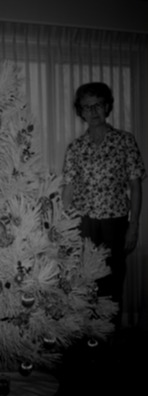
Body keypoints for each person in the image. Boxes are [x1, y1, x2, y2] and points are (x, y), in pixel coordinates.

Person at [61, 81, 145, 330]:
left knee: (112, 282)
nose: (93, 111)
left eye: (98, 104)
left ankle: (109, 337)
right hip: (83, 223)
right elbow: (69, 189)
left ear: (107, 106)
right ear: (81, 112)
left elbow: (136, 186)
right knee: (84, 282)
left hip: (115, 222)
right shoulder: (75, 148)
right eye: (87, 107)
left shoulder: (124, 141)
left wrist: (134, 226)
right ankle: (85, 337)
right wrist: (62, 227)